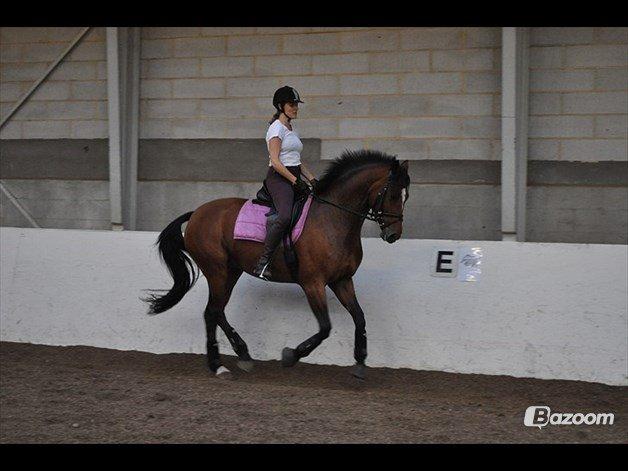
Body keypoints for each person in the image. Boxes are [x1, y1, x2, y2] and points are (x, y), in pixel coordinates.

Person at [252, 86, 318, 281]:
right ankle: (263, 263)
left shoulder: (291, 129)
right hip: (279, 178)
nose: (296, 108)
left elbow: (296, 159)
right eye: (292, 104)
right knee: (285, 216)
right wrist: (295, 181)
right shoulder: (276, 128)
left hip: (294, 175)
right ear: (281, 106)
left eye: (297, 104)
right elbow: (276, 161)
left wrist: (312, 179)